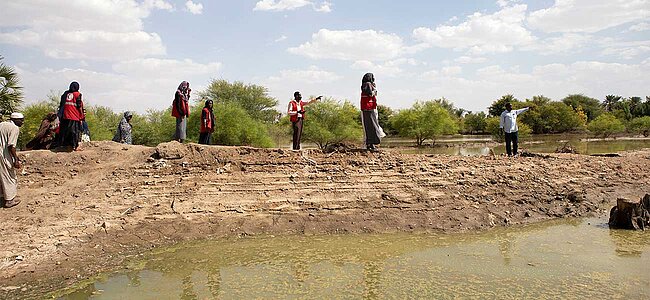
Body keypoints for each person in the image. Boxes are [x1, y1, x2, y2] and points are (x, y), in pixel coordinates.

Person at [0, 113, 24, 208]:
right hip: (4, 155)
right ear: (15, 120)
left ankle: (2, 196)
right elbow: (11, 146)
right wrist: (15, 160)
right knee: (9, 176)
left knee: (1, 176)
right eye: (21, 120)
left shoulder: (2, 124)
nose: (22, 122)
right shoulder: (14, 128)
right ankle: (9, 200)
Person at [360, 73, 385, 151]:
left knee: (371, 126)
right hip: (368, 108)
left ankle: (371, 144)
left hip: (369, 108)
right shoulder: (367, 84)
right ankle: (370, 144)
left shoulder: (368, 84)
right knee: (371, 126)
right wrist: (374, 91)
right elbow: (370, 93)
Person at [58, 81, 85, 151]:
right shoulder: (77, 94)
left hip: (65, 116)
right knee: (74, 132)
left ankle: (64, 145)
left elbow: (61, 104)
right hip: (74, 116)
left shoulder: (65, 94)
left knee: (65, 131)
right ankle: (75, 146)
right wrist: (82, 116)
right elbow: (79, 106)